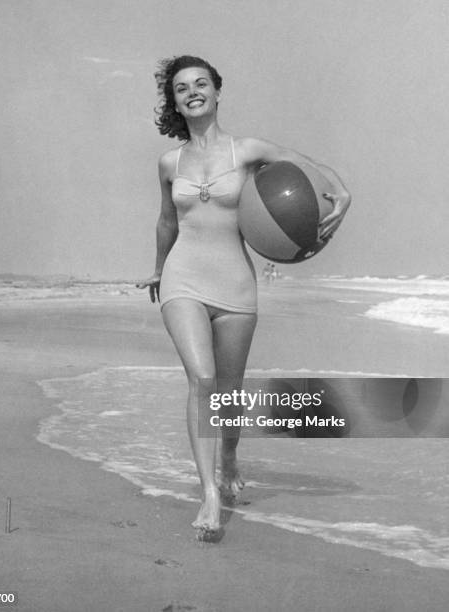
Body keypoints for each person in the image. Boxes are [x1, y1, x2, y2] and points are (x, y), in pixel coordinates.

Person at [137, 55, 351, 539]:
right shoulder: (169, 163)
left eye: (200, 83)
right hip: (183, 279)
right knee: (204, 381)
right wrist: (156, 268)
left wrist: (342, 191)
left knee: (227, 395)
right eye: (180, 87)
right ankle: (210, 496)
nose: (192, 91)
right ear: (173, 101)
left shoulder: (247, 150)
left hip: (235, 284)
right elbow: (167, 221)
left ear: (216, 91)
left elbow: (304, 162)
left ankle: (229, 455)